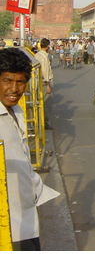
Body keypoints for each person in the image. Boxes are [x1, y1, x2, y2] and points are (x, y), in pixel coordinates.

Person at [0, 47, 59, 250]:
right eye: (7, 81)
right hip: (7, 224)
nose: (14, 89)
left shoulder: (16, 111)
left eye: (20, 82)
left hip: (26, 214)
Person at [36, 38, 54, 130]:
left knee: (40, 103)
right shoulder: (44, 57)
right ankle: (45, 123)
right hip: (44, 82)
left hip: (38, 82)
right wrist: (48, 85)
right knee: (46, 104)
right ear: (47, 46)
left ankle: (40, 121)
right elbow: (45, 72)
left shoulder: (37, 55)